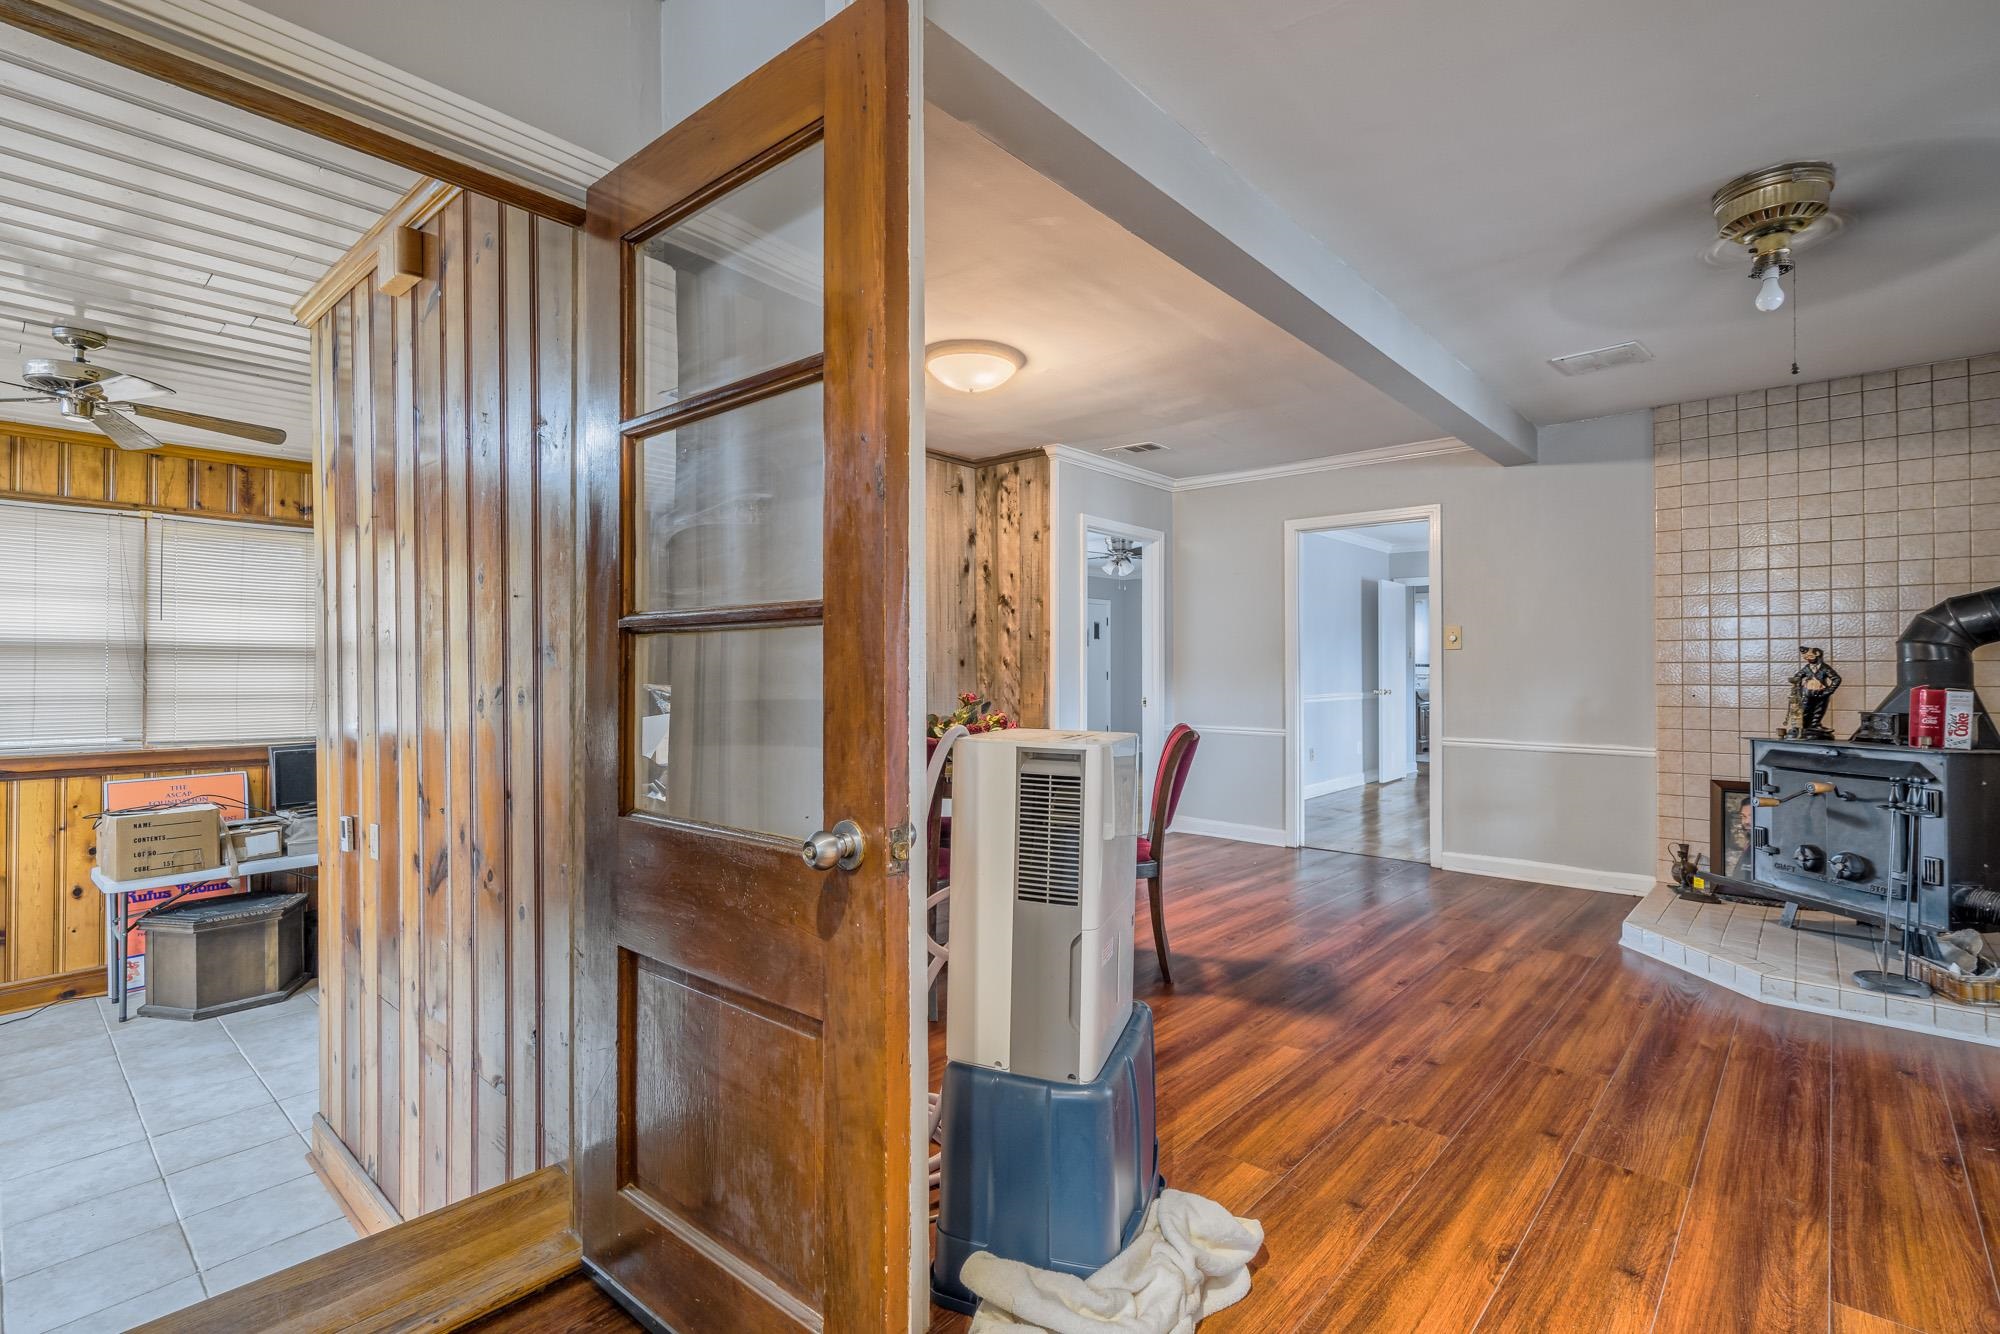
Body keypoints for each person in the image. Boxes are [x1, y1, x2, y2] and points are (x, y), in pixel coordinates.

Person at [1785, 645, 1841, 740]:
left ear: (1818, 655)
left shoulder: (1825, 668)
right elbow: (1797, 676)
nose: (1808, 660)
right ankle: (1800, 726)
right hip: (1807, 693)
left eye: (1810, 657)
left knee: (1819, 710)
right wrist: (1798, 688)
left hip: (1821, 693)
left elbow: (1836, 679)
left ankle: (1815, 725)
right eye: (1806, 658)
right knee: (1804, 709)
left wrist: (1829, 691)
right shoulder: (1807, 668)